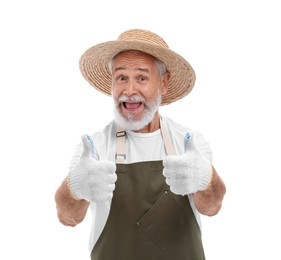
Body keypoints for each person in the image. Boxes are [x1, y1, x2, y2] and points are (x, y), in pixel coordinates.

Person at [55, 29, 226, 260]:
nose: (129, 91)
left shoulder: (189, 143)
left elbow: (212, 207)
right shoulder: (94, 147)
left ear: (164, 83)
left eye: (142, 78)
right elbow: (68, 218)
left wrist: (207, 178)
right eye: (121, 77)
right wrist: (73, 187)